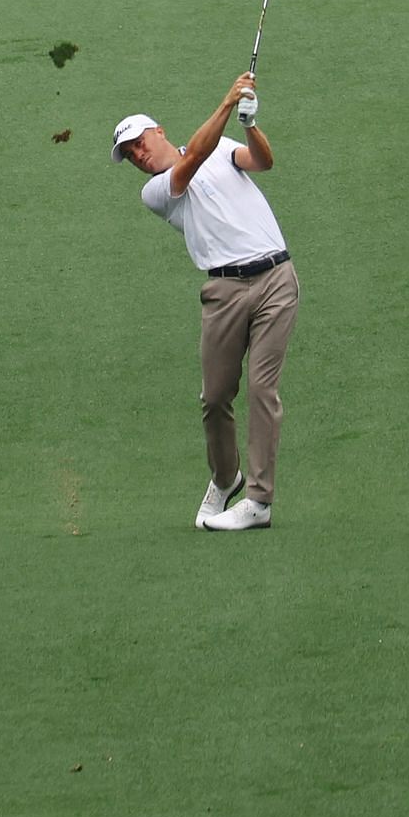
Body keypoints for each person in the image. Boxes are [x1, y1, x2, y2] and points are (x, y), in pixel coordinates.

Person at [112, 72, 293, 533]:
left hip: (276, 278)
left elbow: (262, 162)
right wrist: (229, 101)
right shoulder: (156, 191)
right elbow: (194, 156)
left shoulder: (221, 146)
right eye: (129, 154)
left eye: (138, 141)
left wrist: (250, 124)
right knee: (215, 398)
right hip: (223, 293)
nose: (136, 154)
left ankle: (258, 500)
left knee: (261, 389)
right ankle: (224, 475)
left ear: (158, 131)